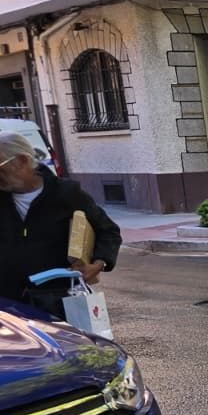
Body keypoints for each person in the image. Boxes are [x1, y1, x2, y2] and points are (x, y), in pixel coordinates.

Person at [0, 130, 122, 319]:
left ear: (22, 161)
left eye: (1, 168)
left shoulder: (65, 193)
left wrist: (98, 263)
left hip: (58, 302)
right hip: (9, 307)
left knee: (70, 349)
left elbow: (108, 231)